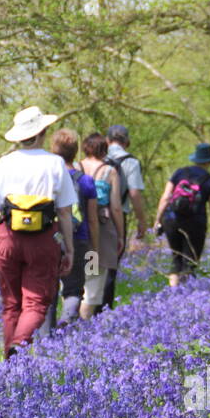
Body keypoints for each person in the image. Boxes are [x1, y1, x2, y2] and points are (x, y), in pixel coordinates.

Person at [0, 107, 76, 357]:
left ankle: (10, 359)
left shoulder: (4, 163)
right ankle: (18, 345)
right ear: (43, 132)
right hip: (43, 240)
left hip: (7, 238)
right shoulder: (55, 163)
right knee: (36, 302)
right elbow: (65, 212)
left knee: (11, 304)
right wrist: (69, 250)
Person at [38, 128, 99, 334]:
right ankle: (66, 323)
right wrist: (94, 249)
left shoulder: (47, 178)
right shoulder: (86, 181)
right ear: (76, 151)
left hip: (49, 238)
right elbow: (92, 219)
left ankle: (46, 337)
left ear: (53, 150)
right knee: (73, 290)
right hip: (79, 239)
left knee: (49, 289)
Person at [153, 142, 210, 287]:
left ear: (195, 159)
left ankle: (173, 294)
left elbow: (166, 198)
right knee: (190, 262)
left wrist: (158, 220)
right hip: (195, 223)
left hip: (171, 220)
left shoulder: (179, 173)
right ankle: (185, 297)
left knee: (176, 259)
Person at [77, 132, 125, 318]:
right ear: (104, 149)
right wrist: (120, 235)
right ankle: (82, 325)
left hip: (74, 230)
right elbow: (116, 208)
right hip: (100, 232)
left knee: (74, 282)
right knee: (93, 279)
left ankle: (70, 321)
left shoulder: (74, 167)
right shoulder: (109, 171)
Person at [103, 125, 146, 309]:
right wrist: (142, 220)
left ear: (107, 141)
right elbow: (135, 193)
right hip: (117, 218)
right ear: (127, 142)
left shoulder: (97, 159)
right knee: (110, 264)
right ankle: (103, 308)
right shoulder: (131, 162)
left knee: (92, 261)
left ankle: (87, 306)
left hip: (93, 216)